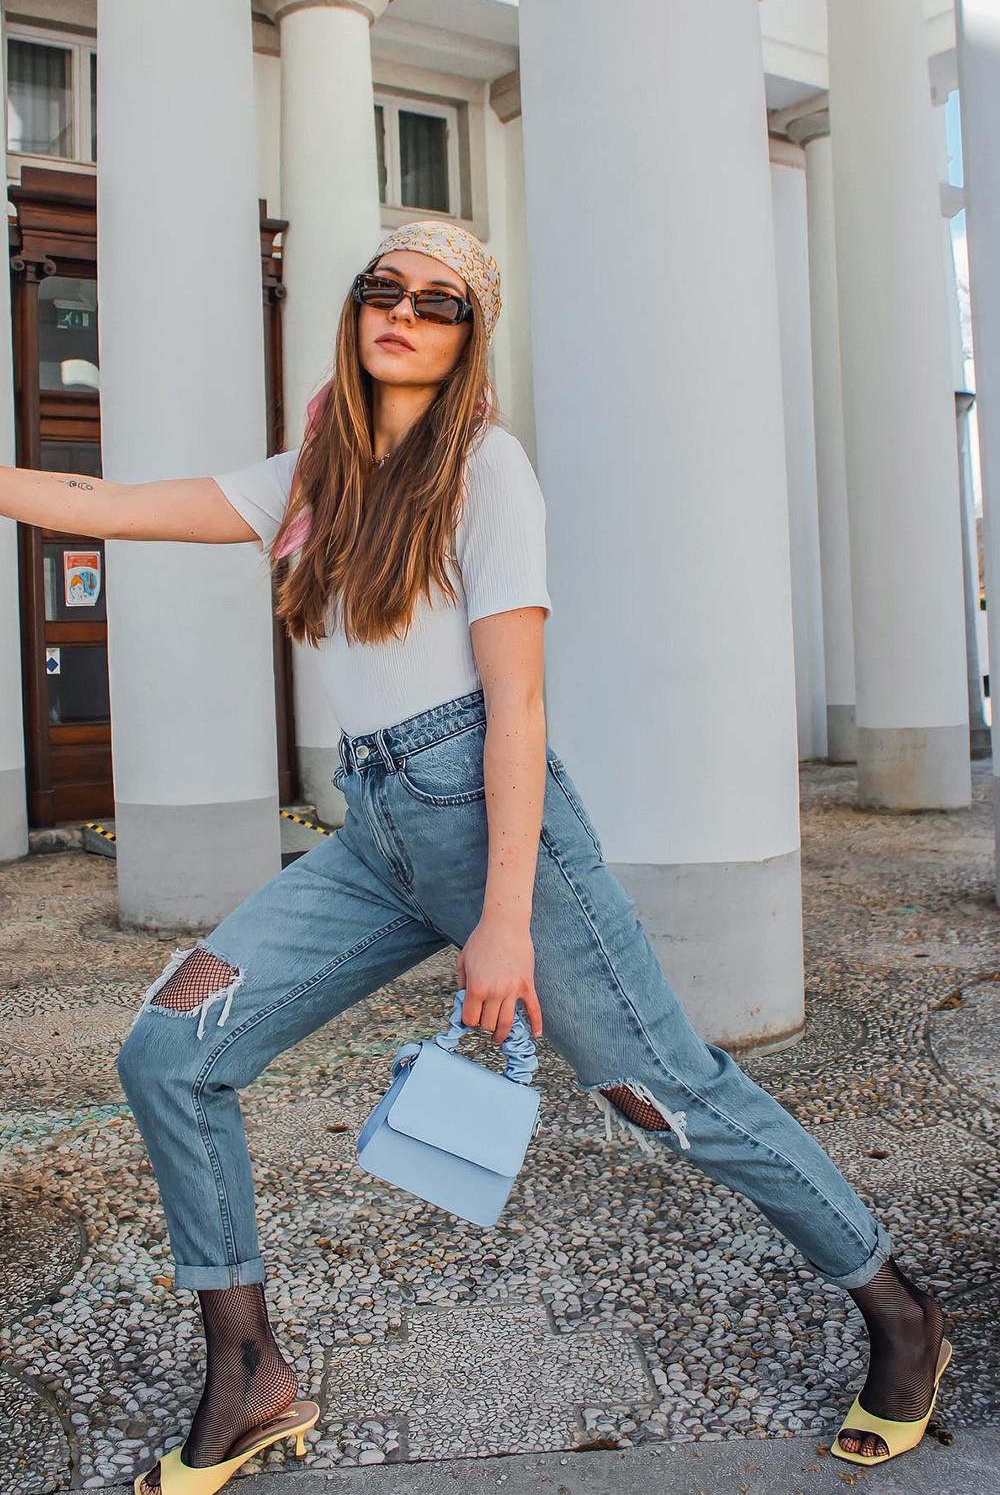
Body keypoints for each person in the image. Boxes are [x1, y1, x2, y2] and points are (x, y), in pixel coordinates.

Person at [1, 220, 949, 1492]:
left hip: (498, 821)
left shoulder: (486, 471)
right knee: (171, 1047)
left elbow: (519, 709)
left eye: (437, 303)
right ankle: (250, 1373)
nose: (403, 312)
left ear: (466, 337)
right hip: (378, 829)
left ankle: (899, 1310)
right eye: (382, 290)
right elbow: (100, 503)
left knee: (663, 1093)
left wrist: (502, 923)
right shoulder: (311, 475)